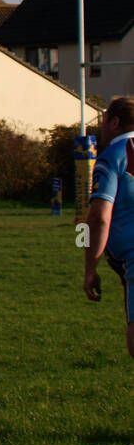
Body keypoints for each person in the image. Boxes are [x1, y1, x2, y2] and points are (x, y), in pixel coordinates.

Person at [83, 97, 134, 357]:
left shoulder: (112, 157)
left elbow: (99, 217)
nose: (100, 129)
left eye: (103, 121)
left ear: (115, 122)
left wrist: (90, 268)